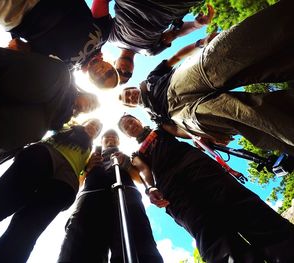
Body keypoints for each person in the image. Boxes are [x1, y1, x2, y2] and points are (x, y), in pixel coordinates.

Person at [119, 0, 294, 155]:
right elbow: (176, 130)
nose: (130, 96)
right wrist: (204, 135)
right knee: (240, 114)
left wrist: (201, 43)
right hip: (180, 114)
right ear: (132, 107)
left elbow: (176, 58)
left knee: (226, 53)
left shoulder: (151, 78)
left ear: (132, 87)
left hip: (180, 81)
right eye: (127, 100)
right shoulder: (154, 118)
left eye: (127, 93)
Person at [118, 114, 294, 263]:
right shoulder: (137, 155)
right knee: (208, 233)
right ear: (126, 134)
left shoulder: (161, 127)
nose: (130, 125)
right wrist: (151, 189)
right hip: (172, 191)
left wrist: (200, 135)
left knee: (242, 207)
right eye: (126, 127)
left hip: (197, 166)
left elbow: (182, 131)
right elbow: (144, 170)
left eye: (131, 121)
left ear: (138, 120)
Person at [0, 118, 103, 263]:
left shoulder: (90, 153)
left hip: (67, 180)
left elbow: (83, 175)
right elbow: (51, 121)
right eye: (93, 123)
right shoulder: (68, 125)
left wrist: (89, 168)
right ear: (84, 122)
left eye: (97, 129)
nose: (94, 128)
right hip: (46, 154)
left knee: (27, 231)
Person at [0, 25, 99, 168]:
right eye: (92, 101)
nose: (89, 106)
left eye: (91, 109)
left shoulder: (55, 124)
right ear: (84, 92)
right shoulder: (63, 75)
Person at [58, 129, 163, 263]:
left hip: (127, 196)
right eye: (107, 136)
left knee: (139, 244)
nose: (111, 138)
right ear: (101, 140)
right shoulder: (89, 155)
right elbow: (77, 181)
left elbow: (139, 176)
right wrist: (87, 168)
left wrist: (126, 165)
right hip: (90, 198)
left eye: (114, 136)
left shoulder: (128, 156)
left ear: (118, 141)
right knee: (80, 246)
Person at [0, 0, 119, 89]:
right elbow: (102, 2)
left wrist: (21, 51)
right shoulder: (103, 34)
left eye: (101, 81)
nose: (102, 74)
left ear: (92, 82)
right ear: (111, 65)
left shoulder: (64, 71)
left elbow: (25, 51)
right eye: (109, 73)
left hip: (16, 15)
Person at [109, 1, 214, 84]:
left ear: (113, 64)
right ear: (133, 71)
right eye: (128, 74)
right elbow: (174, 33)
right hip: (172, 5)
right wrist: (196, 25)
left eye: (118, 71)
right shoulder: (150, 51)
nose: (124, 70)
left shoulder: (109, 37)